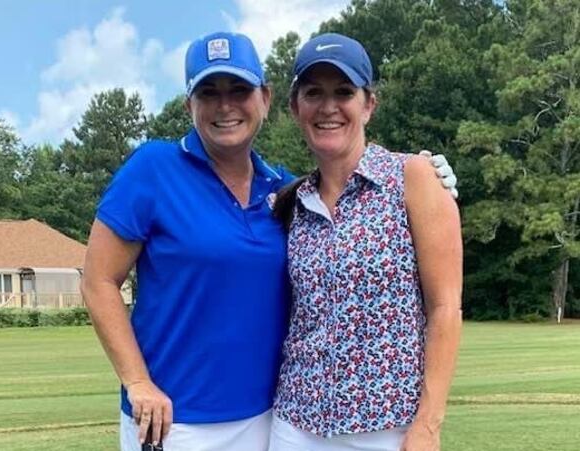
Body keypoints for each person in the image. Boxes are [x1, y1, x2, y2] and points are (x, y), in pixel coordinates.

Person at [81, 31, 457, 451]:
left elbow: (442, 303)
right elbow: (98, 281)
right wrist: (137, 381)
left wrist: (426, 176)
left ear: (266, 98)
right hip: (175, 420)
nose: (225, 105)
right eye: (208, 92)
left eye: (239, 89)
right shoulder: (154, 168)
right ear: (189, 104)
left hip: (266, 419)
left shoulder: (282, 190)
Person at [269, 33, 462, 451]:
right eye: (313, 93)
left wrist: (428, 425)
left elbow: (445, 308)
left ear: (369, 104)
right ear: (294, 107)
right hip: (295, 423)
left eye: (344, 92)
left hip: (388, 429)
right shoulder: (291, 202)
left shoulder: (412, 179)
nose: (328, 107)